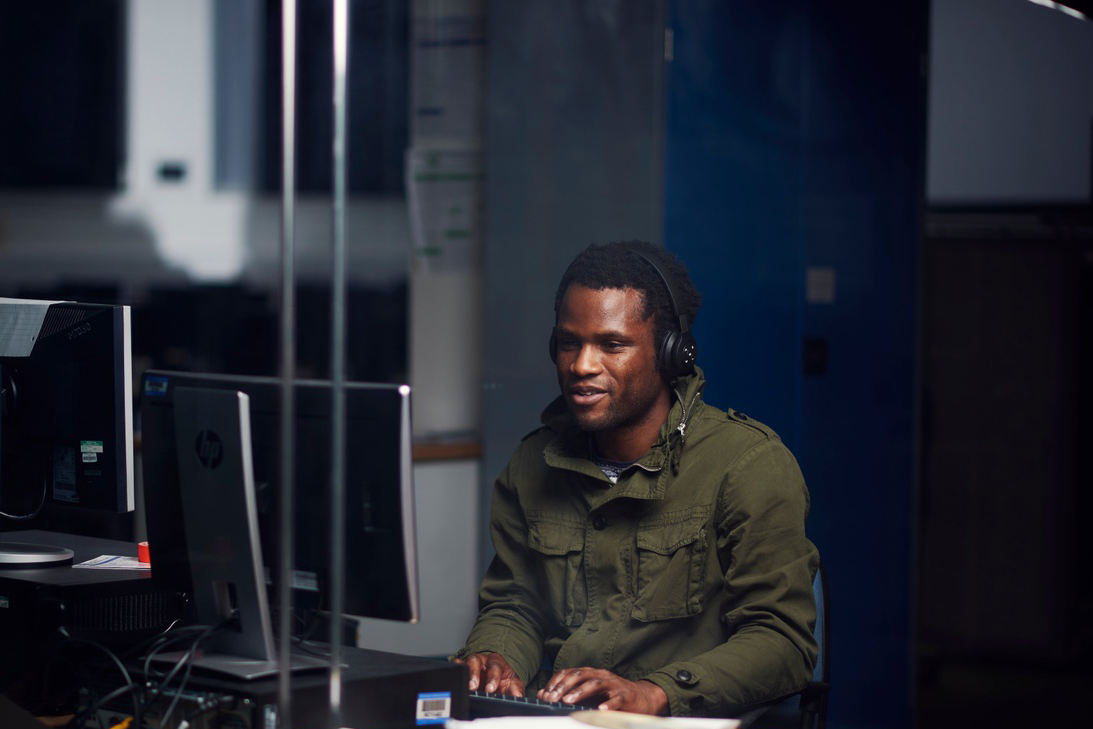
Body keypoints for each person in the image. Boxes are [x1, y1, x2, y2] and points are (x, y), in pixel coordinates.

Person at [453, 241, 819, 718]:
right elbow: (516, 604)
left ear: (670, 354)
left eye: (612, 344)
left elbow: (783, 642)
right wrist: (497, 657)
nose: (582, 365)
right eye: (569, 343)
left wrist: (655, 692)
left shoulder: (748, 466)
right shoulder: (531, 464)